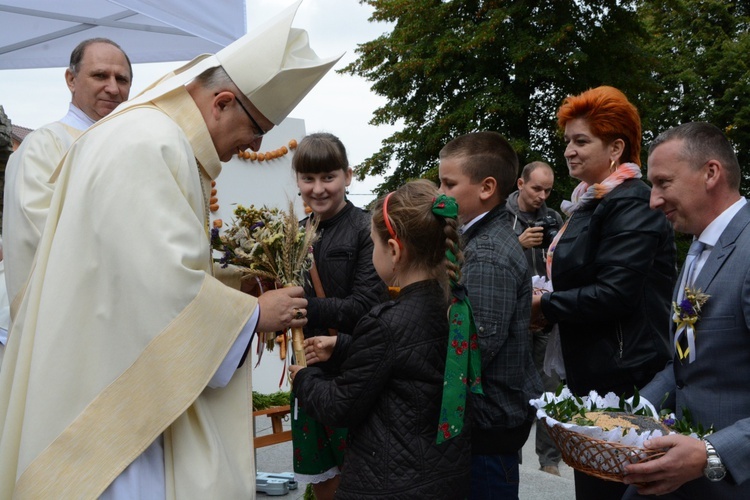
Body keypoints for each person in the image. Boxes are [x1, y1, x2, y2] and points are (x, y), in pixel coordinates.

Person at [0, 1, 341, 497]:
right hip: (113, 404)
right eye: (254, 131)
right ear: (222, 102)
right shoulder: (150, 143)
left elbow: (139, 266)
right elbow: (156, 289)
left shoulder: (146, 135)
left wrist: (233, 284)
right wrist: (251, 315)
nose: (247, 147)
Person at [530, 86, 676, 499]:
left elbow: (615, 292)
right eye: (567, 143)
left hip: (627, 377)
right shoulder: (588, 203)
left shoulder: (631, 203)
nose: (569, 152)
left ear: (616, 146)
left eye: (581, 141)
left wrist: (544, 306)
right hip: (593, 372)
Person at [289, 180, 477, 499]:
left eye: (374, 243)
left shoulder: (385, 322)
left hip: (388, 483)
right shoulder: (456, 307)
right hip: (446, 476)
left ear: (393, 250)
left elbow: (340, 407)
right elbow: (414, 365)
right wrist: (343, 347)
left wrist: (306, 378)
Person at [621, 122, 750, 498]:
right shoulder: (697, 249)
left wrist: (712, 453)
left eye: (663, 183)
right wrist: (628, 413)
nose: (653, 200)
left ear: (711, 173)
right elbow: (687, 364)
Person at [438, 131, 542, 499]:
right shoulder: (481, 240)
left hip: (487, 426)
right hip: (488, 423)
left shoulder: (487, 255)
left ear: (486, 188)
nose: (440, 193)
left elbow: (474, 348)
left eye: (449, 184)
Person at [3, 38, 133, 317]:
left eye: (121, 79)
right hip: (63, 318)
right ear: (71, 79)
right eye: (100, 75)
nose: (113, 88)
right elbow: (41, 239)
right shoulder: (44, 146)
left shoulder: (130, 149)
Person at [289, 132, 386, 499]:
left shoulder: (366, 229)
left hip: (351, 373)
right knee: (323, 483)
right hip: (307, 372)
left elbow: (365, 305)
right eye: (308, 179)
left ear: (348, 175)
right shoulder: (294, 234)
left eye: (328, 177)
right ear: (297, 180)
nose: (318, 189)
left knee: (358, 481)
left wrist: (302, 307)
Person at [506, 161, 564, 476]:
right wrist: (517, 244)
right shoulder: (502, 217)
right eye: (536, 188)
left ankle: (550, 460)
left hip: (547, 311)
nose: (542, 195)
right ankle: (510, 452)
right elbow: (485, 256)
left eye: (547, 190)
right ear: (520, 184)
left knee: (550, 388)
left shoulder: (554, 218)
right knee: (512, 384)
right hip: (514, 313)